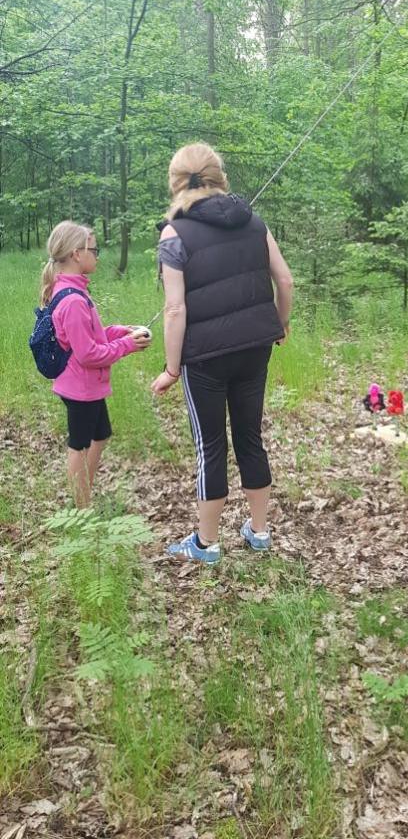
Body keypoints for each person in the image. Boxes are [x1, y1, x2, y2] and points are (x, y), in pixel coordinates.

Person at [151, 142, 293, 563]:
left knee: (210, 445)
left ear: (176, 182)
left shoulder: (174, 233)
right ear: (219, 175)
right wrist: (281, 323)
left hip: (205, 357)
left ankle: (206, 543)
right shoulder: (254, 222)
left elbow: (175, 309)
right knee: (250, 436)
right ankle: (259, 532)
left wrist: (171, 368)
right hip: (255, 347)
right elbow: (285, 281)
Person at [40, 220, 151, 508]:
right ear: (77, 254)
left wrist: (121, 332)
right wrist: (128, 346)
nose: (97, 256)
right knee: (79, 445)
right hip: (80, 388)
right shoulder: (73, 300)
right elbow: (88, 354)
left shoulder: (75, 291)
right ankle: (81, 508)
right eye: (94, 250)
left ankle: (84, 493)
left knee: (101, 435)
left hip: (87, 386)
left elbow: (90, 336)